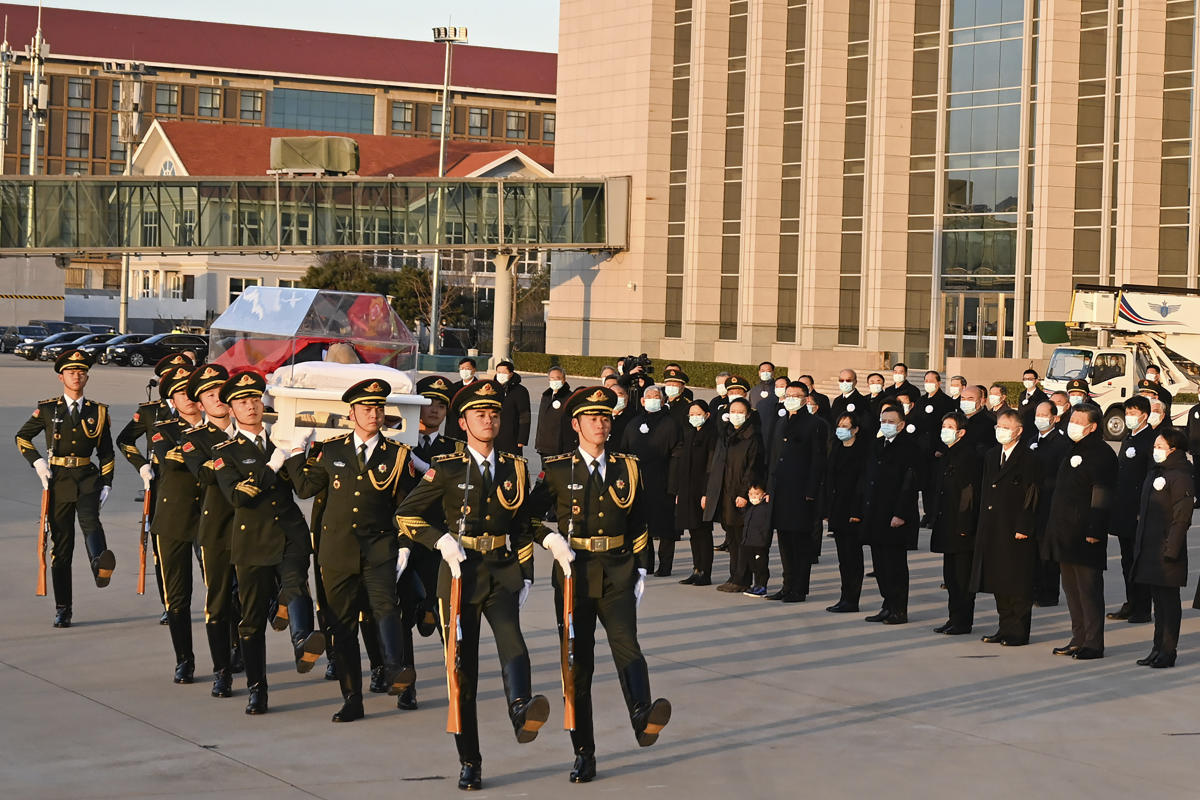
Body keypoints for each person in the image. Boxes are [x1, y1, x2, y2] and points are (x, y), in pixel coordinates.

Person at [396, 379, 547, 790]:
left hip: (499, 569)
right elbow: (408, 516)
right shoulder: (446, 468)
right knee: (463, 671)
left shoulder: (515, 466)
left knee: (514, 643)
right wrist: (439, 540)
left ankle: (521, 706)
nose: (489, 419)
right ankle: (470, 760)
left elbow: (520, 524)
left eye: (494, 414)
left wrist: (527, 570)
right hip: (460, 574)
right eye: (480, 414)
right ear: (462, 422)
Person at [524, 386, 670, 784]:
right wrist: (549, 540)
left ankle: (642, 713)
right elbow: (523, 517)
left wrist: (641, 567)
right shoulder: (556, 469)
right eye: (593, 418)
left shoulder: (629, 466)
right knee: (577, 665)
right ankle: (583, 752)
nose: (601, 424)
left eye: (606, 418)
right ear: (576, 425)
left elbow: (640, 519)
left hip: (618, 569)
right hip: (575, 573)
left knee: (628, 645)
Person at [288, 379, 421, 722]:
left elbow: (406, 508)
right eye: (366, 408)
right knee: (342, 626)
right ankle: (352, 698)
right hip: (337, 552)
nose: (374, 414)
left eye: (378, 408)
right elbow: (304, 488)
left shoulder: (397, 455)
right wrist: (292, 455)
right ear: (351, 414)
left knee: (386, 609)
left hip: (379, 550)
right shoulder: (330, 451)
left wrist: (405, 546)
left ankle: (394, 670)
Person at [212, 371, 325, 714]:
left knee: (296, 585)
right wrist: (272, 465)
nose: (250, 406)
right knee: (250, 619)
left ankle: (304, 640)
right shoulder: (225, 452)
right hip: (253, 542)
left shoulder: (281, 439)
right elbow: (238, 497)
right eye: (242, 402)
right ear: (231, 409)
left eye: (254, 399)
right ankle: (257, 688)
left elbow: (304, 489)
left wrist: (300, 452)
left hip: (290, 533)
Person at [15, 349, 116, 628]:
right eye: (71, 372)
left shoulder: (98, 411)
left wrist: (107, 483)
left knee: (90, 521)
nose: (77, 375)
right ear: (61, 377)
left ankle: (100, 564)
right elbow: (22, 436)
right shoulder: (48, 409)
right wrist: (37, 462)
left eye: (81, 372)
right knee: (62, 547)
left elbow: (106, 452)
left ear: (86, 377)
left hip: (86, 477)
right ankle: (63, 608)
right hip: (57, 479)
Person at [179, 364, 244, 698]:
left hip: (255, 528)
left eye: (221, 390)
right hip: (217, 528)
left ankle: (246, 651)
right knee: (218, 602)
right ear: (200, 405)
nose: (217, 397)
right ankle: (222, 671)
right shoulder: (193, 440)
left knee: (250, 598)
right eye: (208, 393)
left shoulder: (252, 429)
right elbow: (204, 475)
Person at [116, 352, 194, 623]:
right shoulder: (151, 412)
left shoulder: (201, 409)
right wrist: (141, 466)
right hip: (161, 485)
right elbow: (125, 440)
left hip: (196, 485)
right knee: (164, 554)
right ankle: (169, 603)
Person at [1045, 403, 1118, 660]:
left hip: (1086, 533)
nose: (1072, 423)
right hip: (1064, 532)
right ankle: (1078, 637)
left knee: (1088, 591)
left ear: (1093, 426)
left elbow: (1102, 494)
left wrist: (1095, 529)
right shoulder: (1072, 448)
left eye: (1078, 420)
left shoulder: (1102, 454)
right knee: (1072, 590)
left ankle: (1093, 643)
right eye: (1072, 418)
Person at [147, 365, 206, 683]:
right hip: (173, 521)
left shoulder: (218, 428)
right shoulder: (164, 430)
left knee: (223, 590)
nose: (190, 397)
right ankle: (184, 659)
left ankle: (234, 649)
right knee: (178, 597)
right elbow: (175, 457)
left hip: (210, 519)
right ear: (172, 397)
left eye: (193, 391)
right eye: (182, 392)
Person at [971, 409, 1038, 646]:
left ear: (1019, 431)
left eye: (1006, 427)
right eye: (998, 426)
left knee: (1016, 580)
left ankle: (1018, 631)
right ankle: (1004, 627)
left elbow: (1032, 495)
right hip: (993, 524)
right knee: (999, 578)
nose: (1001, 431)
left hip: (1015, 527)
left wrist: (1024, 525)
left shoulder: (1028, 458)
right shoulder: (992, 455)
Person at [1131, 427, 1193, 668]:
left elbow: (1182, 518)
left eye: (1160, 446)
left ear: (1173, 449)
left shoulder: (1181, 476)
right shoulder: (1157, 471)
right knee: (1158, 602)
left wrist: (1171, 550)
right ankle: (1157, 647)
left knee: (1169, 604)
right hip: (1151, 549)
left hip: (1168, 551)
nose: (1155, 450)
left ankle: (1168, 650)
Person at [764, 382, 827, 602]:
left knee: (800, 543)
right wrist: (768, 487)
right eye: (788, 394)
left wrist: (811, 491)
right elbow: (773, 458)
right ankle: (786, 585)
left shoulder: (815, 424)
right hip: (780, 490)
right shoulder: (781, 421)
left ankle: (799, 588)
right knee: (784, 541)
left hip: (801, 492)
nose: (790, 398)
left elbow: (818, 460)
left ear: (805, 398)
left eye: (795, 395)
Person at [857, 406, 919, 624]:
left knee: (895, 565)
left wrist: (900, 513)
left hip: (894, 515)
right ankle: (887, 604)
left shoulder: (908, 448)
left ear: (901, 425)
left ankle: (899, 608)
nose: (886, 424)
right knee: (880, 564)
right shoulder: (877, 445)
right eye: (883, 420)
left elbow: (909, 484)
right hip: (875, 513)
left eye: (891, 421)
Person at [620, 385, 683, 576]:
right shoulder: (633, 423)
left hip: (662, 482)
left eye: (657, 396)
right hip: (638, 482)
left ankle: (665, 565)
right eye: (649, 396)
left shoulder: (671, 424)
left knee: (665, 527)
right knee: (641, 526)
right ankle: (645, 563)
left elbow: (677, 455)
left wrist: (674, 485)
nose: (653, 399)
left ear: (663, 401)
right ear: (642, 401)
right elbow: (624, 452)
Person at [929, 411, 981, 635]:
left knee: (962, 578)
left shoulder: (968, 456)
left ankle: (963, 621)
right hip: (946, 522)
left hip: (961, 527)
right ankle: (953, 617)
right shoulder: (948, 454)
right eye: (944, 426)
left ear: (961, 432)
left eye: (950, 427)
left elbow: (969, 494)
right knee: (950, 577)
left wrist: (964, 525)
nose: (945, 430)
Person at [704, 397, 762, 591]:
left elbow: (753, 467)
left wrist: (744, 493)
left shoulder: (752, 436)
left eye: (740, 411)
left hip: (739, 494)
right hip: (724, 493)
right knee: (732, 538)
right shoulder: (725, 435)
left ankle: (742, 579)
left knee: (741, 538)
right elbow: (716, 465)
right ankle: (734, 576)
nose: (736, 415)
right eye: (733, 411)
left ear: (748, 415)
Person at [1108, 395, 1155, 624]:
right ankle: (1131, 602)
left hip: (1138, 511)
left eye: (1133, 413)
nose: (1129, 417)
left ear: (1144, 415)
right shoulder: (1129, 437)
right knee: (1127, 560)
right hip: (1123, 509)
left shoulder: (1151, 440)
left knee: (1139, 560)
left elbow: (1150, 477)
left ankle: (1143, 607)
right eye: (1127, 413)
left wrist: (1142, 509)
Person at [825, 413, 869, 612]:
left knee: (853, 557)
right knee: (843, 558)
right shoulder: (836, 448)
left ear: (855, 429)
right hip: (838, 508)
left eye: (846, 425)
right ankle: (844, 596)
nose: (841, 429)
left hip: (853, 509)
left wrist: (857, 511)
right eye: (839, 425)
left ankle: (853, 599)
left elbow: (863, 484)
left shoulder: (863, 451)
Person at [671, 400, 717, 586]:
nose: (694, 417)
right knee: (693, 531)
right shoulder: (689, 434)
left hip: (701, 490)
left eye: (698, 414)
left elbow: (710, 466)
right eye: (691, 414)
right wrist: (679, 491)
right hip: (687, 490)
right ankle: (696, 569)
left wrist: (707, 493)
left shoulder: (712, 435)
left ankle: (705, 572)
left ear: (707, 415)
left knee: (703, 531)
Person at [1028, 401, 1068, 607]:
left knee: (1047, 551)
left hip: (1050, 502)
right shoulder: (1032, 440)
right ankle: (1034, 587)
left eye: (1045, 415)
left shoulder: (1060, 444)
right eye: (1038, 414)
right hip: (1032, 502)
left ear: (1054, 418)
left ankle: (1049, 592)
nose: (1040, 418)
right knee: (1033, 549)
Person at [913, 370, 956, 524]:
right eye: (926, 381)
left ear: (938, 383)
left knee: (936, 484)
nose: (928, 384)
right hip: (922, 450)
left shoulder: (946, 401)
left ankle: (935, 515)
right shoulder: (921, 400)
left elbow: (948, 426)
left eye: (932, 381)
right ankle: (927, 512)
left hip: (937, 449)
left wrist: (942, 448)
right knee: (924, 484)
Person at [739, 484, 772, 597]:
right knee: (753, 566)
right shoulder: (750, 508)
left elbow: (767, 527)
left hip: (760, 543)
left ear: (763, 495)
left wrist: (765, 540)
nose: (754, 496)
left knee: (761, 565)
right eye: (751, 494)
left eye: (757, 494)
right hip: (748, 542)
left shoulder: (766, 508)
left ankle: (762, 586)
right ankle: (756, 585)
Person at [535, 366, 573, 466]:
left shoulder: (569, 397)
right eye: (552, 378)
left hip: (560, 447)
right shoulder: (546, 396)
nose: (554, 381)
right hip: (544, 446)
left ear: (564, 379)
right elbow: (541, 422)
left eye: (557, 378)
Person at [493, 360, 531, 456]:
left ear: (511, 374)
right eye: (499, 372)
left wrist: (522, 439)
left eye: (504, 372)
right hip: (493, 433)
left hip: (511, 436)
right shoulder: (491, 388)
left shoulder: (520, 391)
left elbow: (525, 415)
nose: (501, 375)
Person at [445, 357, 480, 442]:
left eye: (467, 369)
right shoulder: (454, 387)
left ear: (474, 370)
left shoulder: (479, 388)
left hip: (471, 427)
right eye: (462, 369)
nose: (464, 371)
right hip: (454, 428)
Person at [958, 384, 996, 458]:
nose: (966, 402)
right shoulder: (958, 419)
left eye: (970, 398)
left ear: (981, 400)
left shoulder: (990, 422)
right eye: (963, 398)